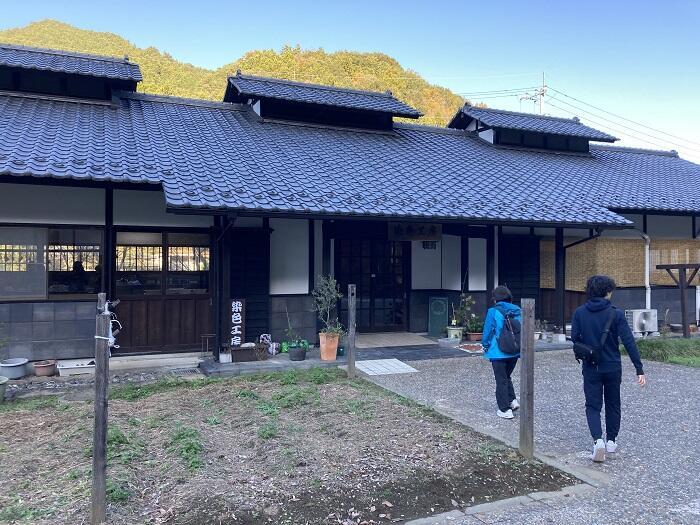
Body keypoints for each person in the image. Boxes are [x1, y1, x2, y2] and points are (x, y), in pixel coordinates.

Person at [571, 275, 646, 463]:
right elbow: (629, 341)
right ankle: (611, 440)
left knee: (592, 405)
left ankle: (598, 441)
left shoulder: (580, 313)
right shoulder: (616, 313)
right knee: (613, 403)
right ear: (607, 292)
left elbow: (574, 338)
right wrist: (639, 368)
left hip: (591, 366)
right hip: (613, 366)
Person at [482, 285, 522, 419]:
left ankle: (505, 410)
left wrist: (485, 345)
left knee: (501, 380)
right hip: (515, 351)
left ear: (495, 299)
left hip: (497, 352)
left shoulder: (493, 311)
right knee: (506, 376)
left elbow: (487, 332)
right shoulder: (519, 311)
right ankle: (512, 401)